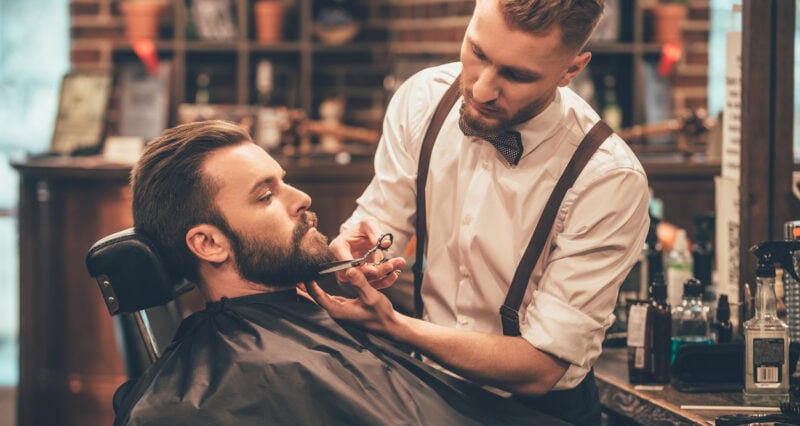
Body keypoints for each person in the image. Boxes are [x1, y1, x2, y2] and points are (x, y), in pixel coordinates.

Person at [309, 0, 650, 425]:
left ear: (572, 69)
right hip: (426, 391)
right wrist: (358, 246)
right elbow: (380, 216)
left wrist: (393, 326)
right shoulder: (423, 101)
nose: (483, 89)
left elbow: (540, 366)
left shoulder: (608, 178)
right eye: (478, 53)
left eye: (517, 74)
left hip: (537, 412)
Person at [112, 120, 567, 426]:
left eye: (284, 181)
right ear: (209, 244)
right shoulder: (222, 391)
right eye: (265, 196)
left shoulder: (307, 320)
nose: (301, 197)